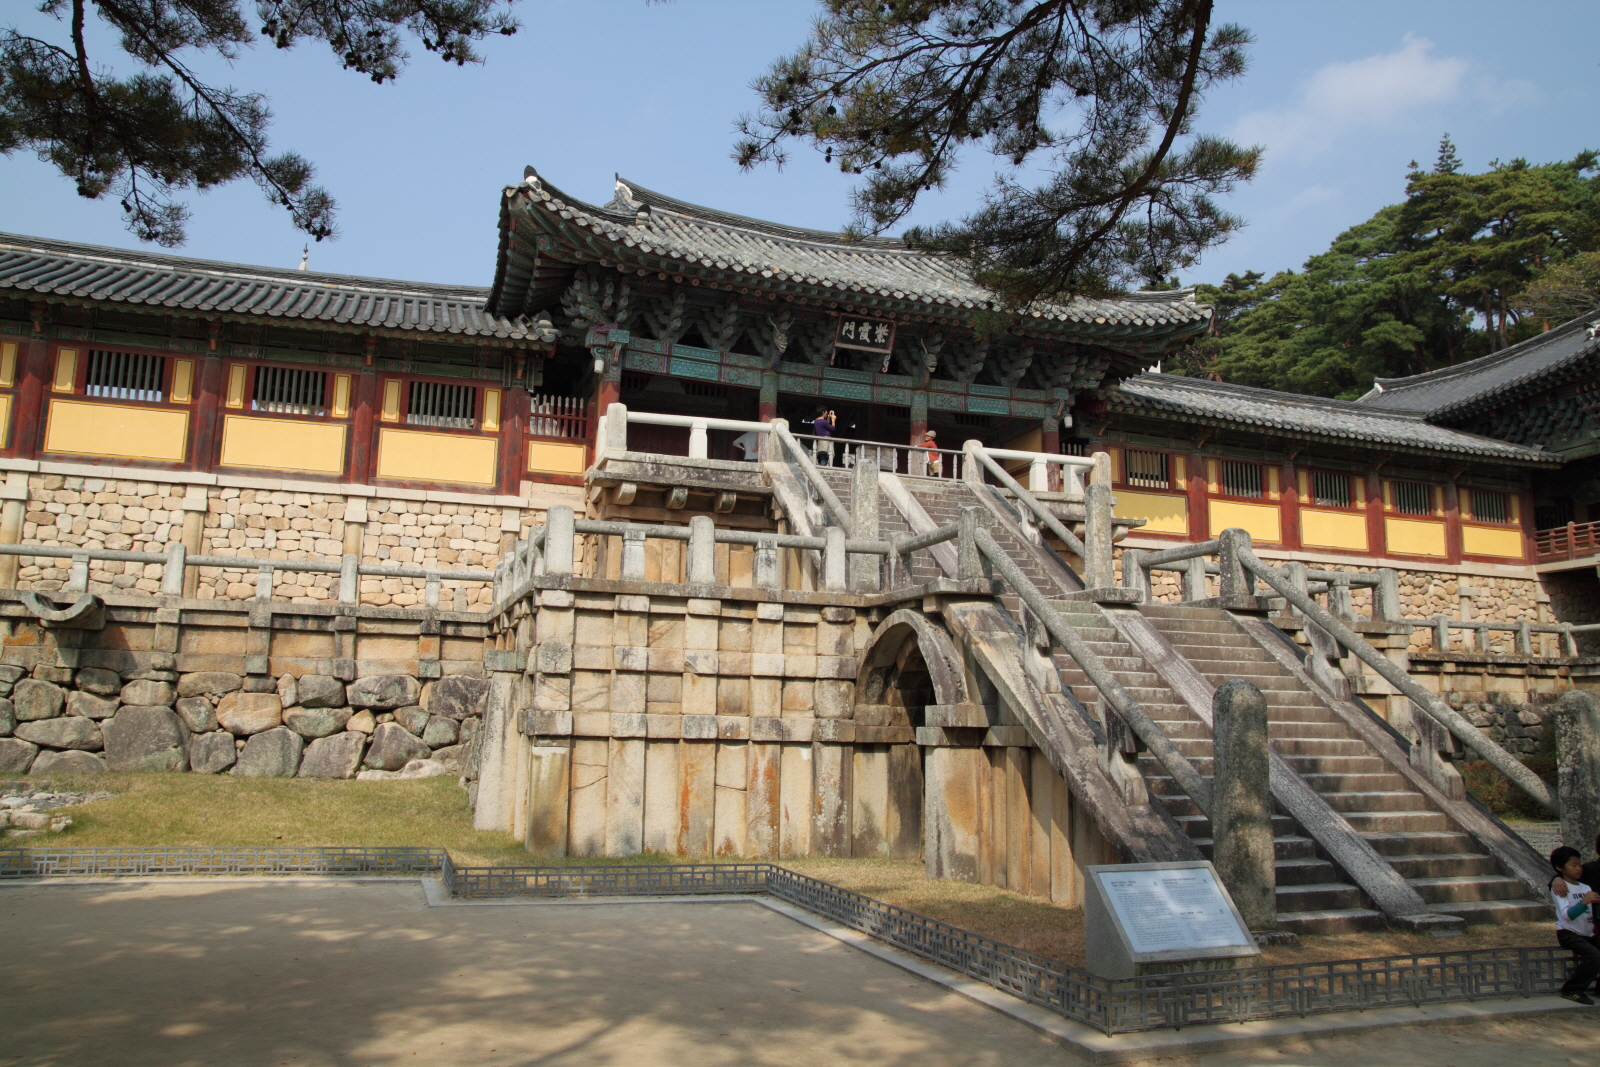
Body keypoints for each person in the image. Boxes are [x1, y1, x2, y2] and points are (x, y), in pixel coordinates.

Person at [1550, 845, 1600, 1004]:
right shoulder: (1561, 888)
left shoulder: (1585, 887)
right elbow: (1567, 915)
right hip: (1569, 932)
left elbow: (1593, 911)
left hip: (1587, 931)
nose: (1579, 869)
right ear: (1560, 867)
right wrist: (1584, 902)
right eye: (1574, 865)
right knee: (1594, 955)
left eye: (1579, 864)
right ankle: (1572, 989)